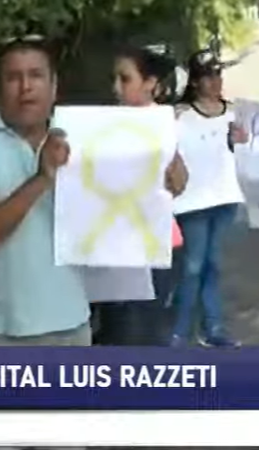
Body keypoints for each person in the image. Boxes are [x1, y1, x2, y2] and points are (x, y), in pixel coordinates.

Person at [0, 35, 92, 346]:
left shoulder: (85, 137)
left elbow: (123, 217)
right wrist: (42, 178)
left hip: (72, 324)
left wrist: (162, 183)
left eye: (36, 75)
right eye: (13, 77)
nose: (26, 87)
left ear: (54, 84)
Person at [91, 45, 189, 346]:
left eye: (125, 79)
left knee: (142, 332)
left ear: (150, 84)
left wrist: (174, 175)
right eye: (114, 79)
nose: (115, 88)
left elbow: (180, 181)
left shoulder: (164, 124)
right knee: (116, 331)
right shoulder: (96, 126)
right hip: (111, 247)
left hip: (155, 247)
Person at [170, 49, 245, 348]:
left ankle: (212, 327)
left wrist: (241, 140)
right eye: (207, 76)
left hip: (225, 198)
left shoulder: (234, 113)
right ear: (195, 81)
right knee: (192, 266)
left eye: (217, 74)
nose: (214, 82)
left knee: (212, 263)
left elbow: (249, 151)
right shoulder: (180, 116)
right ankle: (180, 329)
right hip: (192, 202)